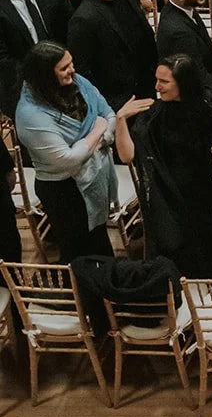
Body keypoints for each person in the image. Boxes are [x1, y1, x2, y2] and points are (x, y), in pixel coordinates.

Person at [15, 40, 149, 262]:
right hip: (64, 190)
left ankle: (107, 288)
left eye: (71, 63)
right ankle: (87, 295)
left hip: (93, 176)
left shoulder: (77, 82)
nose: (72, 70)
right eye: (64, 68)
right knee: (79, 253)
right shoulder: (31, 115)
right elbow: (68, 160)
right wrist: (97, 133)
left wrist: (99, 138)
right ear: (45, 75)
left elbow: (108, 115)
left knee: (99, 240)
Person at [121, 55, 212, 278]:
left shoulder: (207, 108)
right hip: (166, 194)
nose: (157, 87)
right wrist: (120, 119)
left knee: (206, 249)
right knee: (174, 247)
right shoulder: (154, 113)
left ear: (183, 83)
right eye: (157, 79)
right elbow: (126, 155)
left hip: (199, 191)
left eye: (164, 82)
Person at [67, 0, 157, 110]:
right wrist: (109, 106)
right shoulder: (84, 19)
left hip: (146, 86)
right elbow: (83, 72)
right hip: (117, 100)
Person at [0, 0, 70, 115]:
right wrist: (43, 74)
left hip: (66, 79)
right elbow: (3, 59)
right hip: (24, 89)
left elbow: (69, 28)